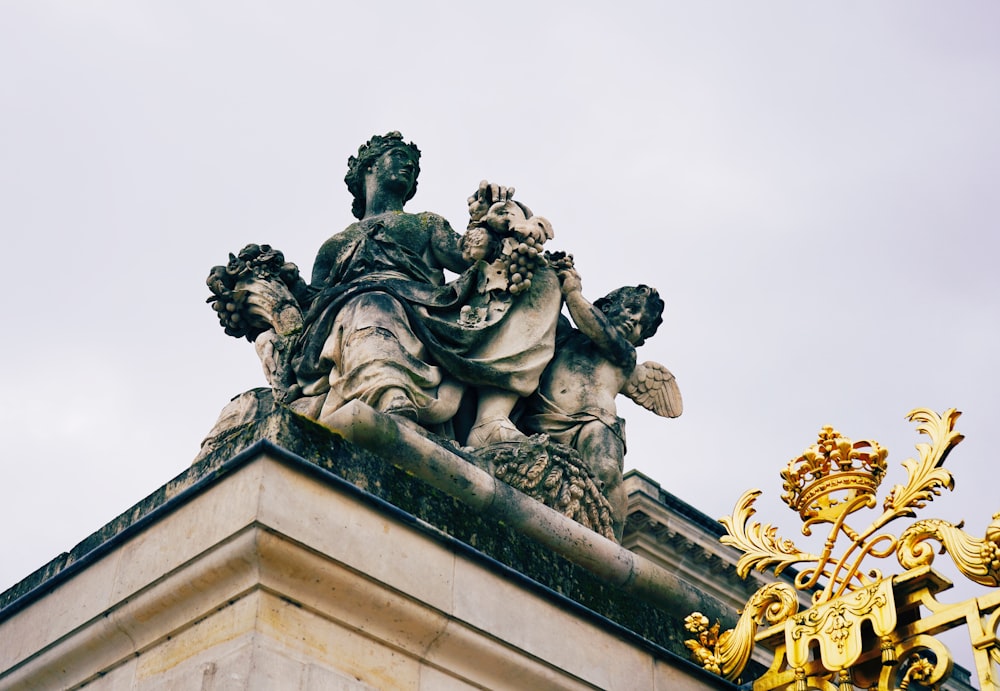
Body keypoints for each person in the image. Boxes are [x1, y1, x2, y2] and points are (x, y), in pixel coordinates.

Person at [292, 132, 562, 445]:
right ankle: (386, 392)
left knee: (539, 279)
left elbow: (469, 256)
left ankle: (403, 397)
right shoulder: (333, 246)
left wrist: (492, 212)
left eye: (414, 164)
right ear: (368, 167)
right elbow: (311, 308)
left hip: (422, 308)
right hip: (356, 308)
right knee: (371, 304)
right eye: (396, 155)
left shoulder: (425, 223)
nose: (408, 164)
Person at [521, 259, 682, 539]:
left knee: (605, 473)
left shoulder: (623, 354)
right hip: (542, 418)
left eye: (641, 325)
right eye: (632, 310)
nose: (634, 321)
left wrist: (571, 291)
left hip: (596, 423)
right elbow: (538, 307)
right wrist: (549, 273)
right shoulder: (565, 336)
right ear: (606, 306)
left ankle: (612, 538)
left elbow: (595, 327)